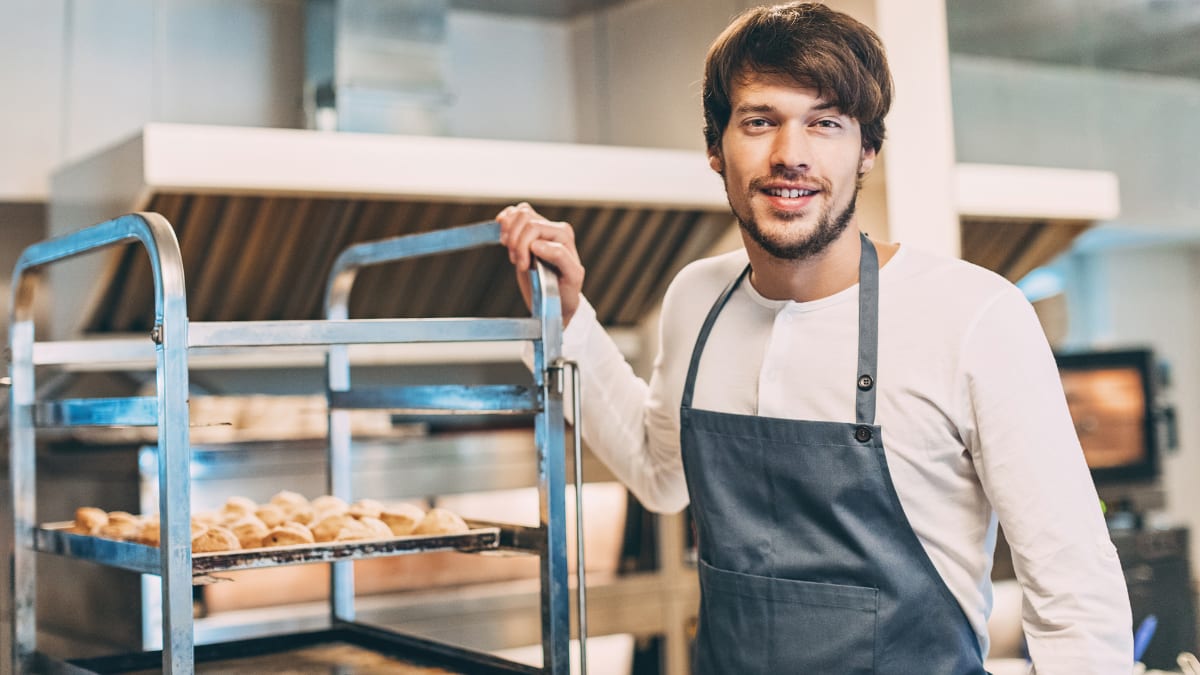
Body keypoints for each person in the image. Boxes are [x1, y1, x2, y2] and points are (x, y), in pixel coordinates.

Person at [498, 3, 1132, 673]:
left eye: (824, 122)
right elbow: (661, 478)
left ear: (867, 150)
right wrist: (567, 319)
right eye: (759, 121)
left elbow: (1075, 592)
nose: (789, 155)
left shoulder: (976, 316)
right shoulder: (696, 297)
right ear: (716, 147)